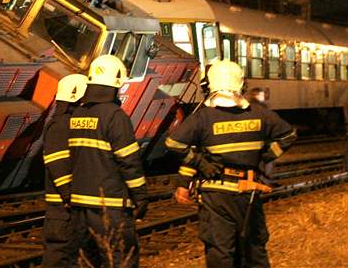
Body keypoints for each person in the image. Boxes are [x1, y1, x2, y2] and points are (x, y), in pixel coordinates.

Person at [166, 60, 296, 268]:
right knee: (254, 250)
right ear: (240, 83)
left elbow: (174, 143)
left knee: (220, 251)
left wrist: (197, 165)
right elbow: (289, 134)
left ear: (210, 84)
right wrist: (263, 157)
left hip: (216, 194)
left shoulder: (203, 117)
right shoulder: (259, 114)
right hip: (249, 193)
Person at [67, 55, 148, 268]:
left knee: (85, 262)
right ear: (116, 85)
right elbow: (129, 161)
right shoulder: (115, 116)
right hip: (110, 205)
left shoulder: (77, 114)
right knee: (119, 259)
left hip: (79, 207)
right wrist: (140, 197)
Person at [41, 73, 88, 268]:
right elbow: (57, 164)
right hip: (62, 208)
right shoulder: (60, 126)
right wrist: (69, 194)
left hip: (66, 207)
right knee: (58, 256)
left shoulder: (64, 123)